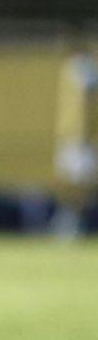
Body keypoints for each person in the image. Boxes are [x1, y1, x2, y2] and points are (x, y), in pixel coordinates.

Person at [50, 27, 98, 238]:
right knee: (74, 183)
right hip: (73, 136)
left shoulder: (81, 66)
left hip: (79, 138)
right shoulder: (73, 67)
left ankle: (71, 221)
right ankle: (71, 220)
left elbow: (90, 92)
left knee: (79, 184)